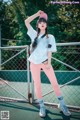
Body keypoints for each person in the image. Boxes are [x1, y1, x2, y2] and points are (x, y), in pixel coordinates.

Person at [25, 10, 71, 117]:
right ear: (37, 24)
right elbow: (27, 21)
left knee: (54, 83)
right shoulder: (33, 35)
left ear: (46, 25)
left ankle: (62, 104)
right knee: (37, 85)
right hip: (34, 63)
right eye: (40, 22)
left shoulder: (50, 37)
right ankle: (42, 106)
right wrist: (37, 14)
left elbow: (50, 50)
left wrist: (49, 62)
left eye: (44, 22)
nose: (42, 23)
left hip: (46, 63)